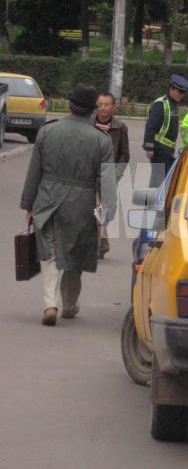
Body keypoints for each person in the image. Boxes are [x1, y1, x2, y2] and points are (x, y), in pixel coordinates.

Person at [20, 84, 117, 327]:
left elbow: (34, 172)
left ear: (69, 105)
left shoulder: (47, 131)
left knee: (49, 252)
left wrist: (29, 205)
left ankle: (50, 303)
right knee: (75, 256)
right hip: (81, 203)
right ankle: (70, 305)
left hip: (47, 199)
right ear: (92, 110)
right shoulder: (101, 140)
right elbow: (107, 181)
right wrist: (107, 213)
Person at [92, 92, 130, 258]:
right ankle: (97, 243)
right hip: (88, 173)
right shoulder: (88, 123)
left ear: (113, 107)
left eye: (107, 104)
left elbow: (124, 154)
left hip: (108, 175)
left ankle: (101, 241)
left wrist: (117, 173)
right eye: (100, 104)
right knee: (90, 208)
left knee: (103, 210)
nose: (103, 108)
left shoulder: (120, 128)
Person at [143, 74, 188, 187]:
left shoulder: (173, 104)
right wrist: (149, 148)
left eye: (183, 93)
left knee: (167, 181)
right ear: (171, 89)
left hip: (167, 150)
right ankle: (152, 203)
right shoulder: (161, 104)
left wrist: (171, 149)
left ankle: (161, 203)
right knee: (158, 181)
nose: (182, 95)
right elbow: (151, 126)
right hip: (158, 148)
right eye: (180, 92)